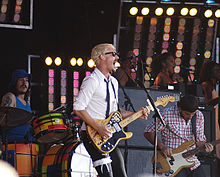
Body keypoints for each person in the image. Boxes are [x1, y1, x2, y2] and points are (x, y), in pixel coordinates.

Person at [73, 43, 149, 177]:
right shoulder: (92, 81)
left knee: (121, 174)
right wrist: (98, 127)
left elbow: (115, 111)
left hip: (109, 134)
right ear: (101, 57)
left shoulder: (113, 82)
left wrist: (135, 114)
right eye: (113, 54)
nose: (117, 57)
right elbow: (78, 108)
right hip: (93, 134)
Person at [144, 95, 213, 177]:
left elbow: (199, 140)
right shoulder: (167, 114)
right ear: (179, 108)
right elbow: (148, 132)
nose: (190, 117)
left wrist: (205, 148)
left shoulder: (199, 115)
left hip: (192, 161)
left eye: (192, 114)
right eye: (187, 114)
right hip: (172, 162)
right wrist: (162, 146)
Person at [1, 69, 35, 143]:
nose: (24, 83)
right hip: (12, 143)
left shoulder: (27, 103)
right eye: (21, 80)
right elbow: (3, 119)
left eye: (26, 80)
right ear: (14, 82)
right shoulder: (10, 97)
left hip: (26, 142)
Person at [199, 60, 220, 175]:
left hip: (215, 119)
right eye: (216, 70)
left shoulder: (212, 85)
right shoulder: (206, 84)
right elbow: (208, 103)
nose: (219, 72)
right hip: (210, 119)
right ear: (209, 71)